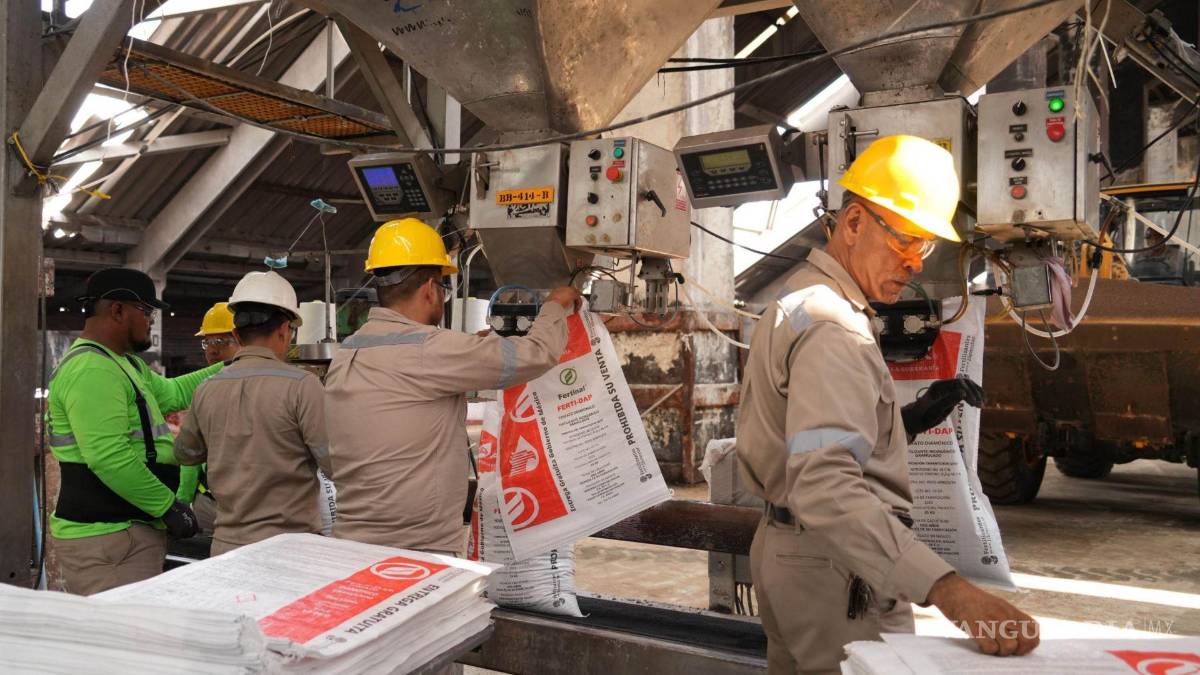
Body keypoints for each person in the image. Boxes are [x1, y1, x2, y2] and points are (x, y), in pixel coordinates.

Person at [737, 135, 1040, 673]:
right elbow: (824, 483)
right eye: (906, 241)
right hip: (836, 568)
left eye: (925, 247)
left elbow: (808, 437)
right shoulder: (835, 328)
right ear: (854, 223)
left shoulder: (800, 299)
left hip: (794, 555)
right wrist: (949, 591)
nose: (915, 263)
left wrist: (902, 425)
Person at [324, 218, 581, 555]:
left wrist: (476, 348)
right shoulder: (432, 350)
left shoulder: (349, 351)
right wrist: (555, 305)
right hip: (415, 552)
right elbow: (536, 354)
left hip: (350, 545)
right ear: (430, 289)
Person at [47, 268, 216, 595]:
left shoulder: (125, 363)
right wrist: (168, 506)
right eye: (147, 311)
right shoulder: (93, 369)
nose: (151, 321)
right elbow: (109, 457)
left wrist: (233, 366)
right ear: (117, 310)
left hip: (125, 530)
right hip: (108, 537)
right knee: (121, 625)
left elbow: (174, 393)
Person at [174, 271, 330, 556]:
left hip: (227, 547)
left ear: (236, 334)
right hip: (291, 549)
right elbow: (334, 463)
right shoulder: (303, 386)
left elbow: (185, 453)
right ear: (284, 330)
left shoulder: (207, 388)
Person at [190, 301, 240, 533]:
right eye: (207, 342)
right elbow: (190, 460)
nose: (211, 350)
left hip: (251, 507)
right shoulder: (202, 388)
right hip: (207, 505)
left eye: (220, 341)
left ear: (241, 339)